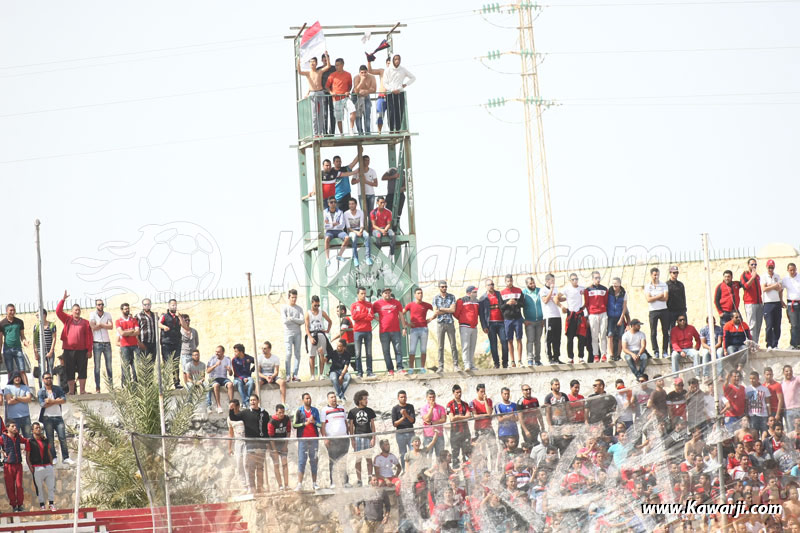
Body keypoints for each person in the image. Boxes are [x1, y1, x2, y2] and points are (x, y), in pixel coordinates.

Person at [229, 395, 271, 494]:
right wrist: (231, 409)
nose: (252, 402)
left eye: (254, 400)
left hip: (261, 444)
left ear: (258, 401)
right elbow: (233, 417)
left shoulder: (264, 413)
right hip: (250, 443)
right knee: (250, 466)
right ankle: (252, 487)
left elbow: (266, 429)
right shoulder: (245, 413)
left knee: (260, 466)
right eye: (251, 400)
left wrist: (267, 442)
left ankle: (260, 487)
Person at [55, 291, 92, 395]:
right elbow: (58, 311)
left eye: (79, 310)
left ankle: (82, 391)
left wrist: (89, 350)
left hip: (82, 350)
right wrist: (63, 300)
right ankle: (71, 391)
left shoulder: (85, 322)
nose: (77, 312)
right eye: (75, 310)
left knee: (82, 370)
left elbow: (89, 337)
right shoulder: (67, 319)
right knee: (69, 370)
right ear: (72, 311)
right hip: (68, 350)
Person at [37, 372, 73, 466]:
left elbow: (64, 400)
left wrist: (51, 401)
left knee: (63, 438)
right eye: (47, 378)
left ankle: (66, 457)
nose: (49, 379)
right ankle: (53, 457)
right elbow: (42, 404)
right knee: (50, 440)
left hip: (58, 417)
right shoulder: (41, 391)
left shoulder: (57, 389)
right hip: (47, 418)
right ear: (43, 380)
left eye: (50, 378)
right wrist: (56, 401)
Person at [374, 54, 415, 132]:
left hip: (400, 93)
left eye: (399, 59)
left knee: (399, 111)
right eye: (395, 59)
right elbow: (385, 83)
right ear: (393, 60)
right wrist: (392, 89)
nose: (397, 61)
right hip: (390, 93)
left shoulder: (403, 69)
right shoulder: (388, 70)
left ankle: (398, 129)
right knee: (391, 112)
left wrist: (406, 84)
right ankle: (391, 129)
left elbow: (413, 78)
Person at [372, 287, 406, 375]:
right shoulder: (377, 304)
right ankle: (390, 369)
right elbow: (371, 313)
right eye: (385, 293)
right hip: (384, 332)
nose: (387, 294)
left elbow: (401, 315)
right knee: (386, 351)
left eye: (388, 293)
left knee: (398, 350)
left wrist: (404, 328)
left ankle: (400, 368)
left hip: (396, 331)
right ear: (382, 294)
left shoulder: (396, 303)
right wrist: (378, 319)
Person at [297, 55, 332, 136]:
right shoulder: (308, 73)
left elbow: (328, 66)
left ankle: (320, 132)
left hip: (320, 92)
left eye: (314, 61)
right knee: (314, 115)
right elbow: (299, 72)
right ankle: (316, 133)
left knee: (321, 114)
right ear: (309, 64)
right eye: (311, 61)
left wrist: (326, 56)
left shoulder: (319, 71)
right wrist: (298, 63)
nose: (312, 63)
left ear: (316, 63)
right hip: (313, 93)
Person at [293, 392, 322, 491]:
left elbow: (320, 425)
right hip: (303, 440)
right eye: (306, 398)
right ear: (303, 400)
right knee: (302, 461)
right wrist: (304, 424)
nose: (308, 400)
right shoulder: (298, 411)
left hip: (314, 439)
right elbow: (294, 425)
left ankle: (314, 483)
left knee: (314, 461)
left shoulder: (315, 411)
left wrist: (314, 422)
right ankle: (299, 484)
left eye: (309, 398)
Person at [348, 390, 377, 487]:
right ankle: (359, 480)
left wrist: (373, 437)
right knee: (358, 459)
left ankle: (369, 477)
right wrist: (352, 439)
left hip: (368, 438)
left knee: (369, 459)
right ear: (360, 400)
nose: (366, 401)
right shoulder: (352, 412)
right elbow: (351, 427)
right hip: (357, 438)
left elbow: (372, 425)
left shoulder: (370, 411)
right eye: (365, 399)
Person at [321, 392, 349, 488]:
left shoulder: (342, 408)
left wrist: (348, 435)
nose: (334, 399)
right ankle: (333, 482)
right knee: (332, 461)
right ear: (328, 399)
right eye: (331, 397)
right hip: (332, 440)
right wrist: (325, 438)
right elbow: (323, 426)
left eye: (334, 397)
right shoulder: (325, 410)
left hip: (344, 439)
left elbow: (345, 422)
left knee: (343, 461)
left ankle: (345, 481)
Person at [26, 421, 56, 511]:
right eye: (36, 428)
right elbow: (27, 456)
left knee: (51, 486)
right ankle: (42, 504)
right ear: (32, 430)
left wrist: (51, 464)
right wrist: (31, 467)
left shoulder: (45, 440)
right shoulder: (30, 441)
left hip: (47, 466)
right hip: (37, 467)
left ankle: (51, 503)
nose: (39, 429)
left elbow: (48, 452)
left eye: (39, 428)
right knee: (39, 487)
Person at [479, 278, 508, 368]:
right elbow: (481, 315)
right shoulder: (483, 298)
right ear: (486, 286)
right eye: (489, 285)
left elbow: (505, 307)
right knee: (493, 344)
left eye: (492, 284)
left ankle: (505, 363)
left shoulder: (499, 294)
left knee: (504, 342)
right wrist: (484, 326)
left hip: (501, 323)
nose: (491, 286)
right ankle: (496, 363)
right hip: (490, 324)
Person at [404, 288, 433, 372]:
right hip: (414, 330)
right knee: (412, 349)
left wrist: (431, 318)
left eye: (421, 293)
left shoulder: (426, 305)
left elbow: (436, 311)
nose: (420, 295)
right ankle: (411, 368)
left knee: (423, 349)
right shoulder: (410, 305)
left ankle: (422, 368)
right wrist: (406, 323)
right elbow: (401, 313)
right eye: (418, 293)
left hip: (424, 329)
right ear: (415, 295)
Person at [1, 421, 27, 512]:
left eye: (15, 426)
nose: (15, 428)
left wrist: (27, 450)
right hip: (8, 465)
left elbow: (27, 441)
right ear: (7, 428)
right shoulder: (3, 438)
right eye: (13, 426)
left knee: (19, 485)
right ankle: (14, 505)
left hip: (18, 464)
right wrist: (2, 451)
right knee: (10, 486)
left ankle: (20, 504)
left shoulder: (18, 437)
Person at [499, 274, 525, 367]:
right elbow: (501, 307)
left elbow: (523, 304)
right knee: (509, 340)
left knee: (519, 339)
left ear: (512, 281)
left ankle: (520, 360)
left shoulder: (518, 291)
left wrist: (516, 302)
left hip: (517, 319)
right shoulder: (502, 293)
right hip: (507, 319)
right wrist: (507, 303)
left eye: (511, 281)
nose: (509, 282)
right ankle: (512, 361)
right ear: (505, 282)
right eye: (507, 281)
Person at [433, 280, 458, 373]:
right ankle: (441, 366)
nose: (444, 288)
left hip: (450, 322)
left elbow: (453, 310)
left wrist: (441, 309)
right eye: (442, 287)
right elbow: (435, 312)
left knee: (453, 345)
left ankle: (456, 365)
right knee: (440, 346)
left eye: (445, 287)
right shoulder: (436, 298)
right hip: (440, 323)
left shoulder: (451, 297)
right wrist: (447, 310)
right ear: (439, 287)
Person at [644, 267, 670, 359]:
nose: (656, 276)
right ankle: (656, 351)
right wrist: (659, 295)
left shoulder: (664, 285)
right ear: (651, 275)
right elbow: (648, 299)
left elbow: (666, 298)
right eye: (654, 275)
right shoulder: (648, 286)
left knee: (665, 331)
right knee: (653, 332)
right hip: (653, 311)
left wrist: (653, 297)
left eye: (657, 274)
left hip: (664, 310)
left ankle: (665, 351)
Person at [305, 295, 332, 381]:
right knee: (312, 356)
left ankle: (321, 374)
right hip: (312, 334)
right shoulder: (308, 313)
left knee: (321, 354)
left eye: (318, 305)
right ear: (312, 303)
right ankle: (312, 375)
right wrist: (309, 337)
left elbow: (329, 321)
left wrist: (327, 330)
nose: (317, 307)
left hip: (320, 333)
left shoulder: (321, 312)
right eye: (315, 305)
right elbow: (306, 326)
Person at [89, 299, 114, 393]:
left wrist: (100, 324)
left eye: (102, 304)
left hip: (107, 342)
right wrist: (104, 325)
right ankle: (98, 388)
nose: (101, 306)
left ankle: (111, 387)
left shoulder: (108, 314)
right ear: (96, 305)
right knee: (97, 366)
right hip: (97, 343)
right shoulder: (92, 314)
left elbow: (111, 326)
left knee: (109, 366)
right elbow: (93, 327)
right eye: (99, 304)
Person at [0, 304, 29, 384]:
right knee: (10, 371)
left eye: (14, 310)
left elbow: (22, 336)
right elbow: (0, 339)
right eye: (11, 310)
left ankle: (27, 390)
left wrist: (25, 342)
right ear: (6, 311)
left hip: (18, 349)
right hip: (7, 349)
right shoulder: (2, 323)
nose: (12, 312)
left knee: (22, 370)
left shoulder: (19, 322)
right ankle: (11, 389)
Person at [562, 273, 587, 364]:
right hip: (571, 315)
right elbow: (557, 297)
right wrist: (562, 306)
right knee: (570, 338)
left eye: (576, 279)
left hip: (580, 314)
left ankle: (581, 357)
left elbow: (587, 295)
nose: (575, 281)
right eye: (573, 279)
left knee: (581, 337)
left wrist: (585, 305)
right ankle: (570, 357)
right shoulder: (567, 289)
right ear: (570, 280)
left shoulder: (581, 288)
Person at [584, 271, 609, 363]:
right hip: (592, 314)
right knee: (594, 336)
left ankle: (604, 355)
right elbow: (586, 304)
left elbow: (606, 302)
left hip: (603, 313)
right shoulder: (588, 290)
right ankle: (596, 355)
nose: (598, 279)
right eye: (596, 278)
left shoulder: (605, 289)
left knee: (603, 335)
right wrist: (588, 316)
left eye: (599, 277)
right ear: (592, 279)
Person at [446, 384, 473, 469]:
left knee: (467, 454)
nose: (459, 394)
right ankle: (456, 478)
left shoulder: (465, 404)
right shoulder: (450, 404)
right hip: (455, 433)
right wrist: (461, 417)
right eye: (457, 392)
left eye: (460, 392)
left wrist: (458, 417)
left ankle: (468, 477)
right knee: (455, 456)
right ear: (453, 393)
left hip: (465, 433)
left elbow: (469, 416)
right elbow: (452, 418)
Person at [351, 287, 375, 377]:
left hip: (368, 330)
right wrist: (365, 315)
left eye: (364, 293)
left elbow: (371, 316)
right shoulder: (354, 305)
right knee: (358, 353)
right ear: (358, 294)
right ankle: (359, 372)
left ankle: (369, 371)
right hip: (357, 331)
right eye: (361, 293)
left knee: (369, 353)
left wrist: (360, 316)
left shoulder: (369, 305)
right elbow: (354, 317)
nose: (363, 295)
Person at [324, 58, 353, 135]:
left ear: (342, 65)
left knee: (353, 110)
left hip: (345, 98)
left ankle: (351, 130)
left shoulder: (348, 74)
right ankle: (341, 133)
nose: (336, 67)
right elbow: (327, 86)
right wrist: (331, 92)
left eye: (338, 65)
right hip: (336, 99)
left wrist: (348, 91)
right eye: (335, 65)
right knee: (339, 118)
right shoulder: (332, 75)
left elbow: (350, 85)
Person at [454, 285, 480, 371]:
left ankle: (471, 364)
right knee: (465, 346)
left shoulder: (477, 301)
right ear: (469, 293)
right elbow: (456, 313)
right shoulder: (462, 300)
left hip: (474, 327)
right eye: (474, 292)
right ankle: (466, 365)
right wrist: (462, 319)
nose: (476, 293)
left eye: (476, 292)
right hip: (465, 326)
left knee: (472, 346)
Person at [541, 273, 564, 364]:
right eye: (552, 280)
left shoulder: (556, 289)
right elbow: (545, 300)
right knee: (549, 338)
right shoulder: (543, 290)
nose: (553, 282)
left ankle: (556, 357)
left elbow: (557, 299)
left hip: (557, 316)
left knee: (557, 338)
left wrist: (567, 297)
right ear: (547, 281)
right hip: (548, 316)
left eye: (554, 280)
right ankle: (549, 357)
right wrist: (551, 290)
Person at [267, 403, 291, 491]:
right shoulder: (271, 422)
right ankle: (280, 485)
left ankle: (286, 485)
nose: (282, 414)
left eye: (283, 412)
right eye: (280, 412)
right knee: (276, 464)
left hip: (282, 444)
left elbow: (288, 432)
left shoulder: (287, 418)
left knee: (285, 463)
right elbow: (270, 437)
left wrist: (286, 445)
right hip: (273, 445)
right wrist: (274, 450)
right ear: (276, 413)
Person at [521, 277, 544, 367]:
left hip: (540, 321)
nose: (533, 285)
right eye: (530, 283)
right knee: (530, 340)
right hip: (529, 322)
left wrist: (544, 319)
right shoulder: (524, 293)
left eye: (533, 283)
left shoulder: (540, 291)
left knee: (538, 341)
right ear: (527, 284)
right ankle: (530, 359)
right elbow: (518, 307)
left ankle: (537, 360)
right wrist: (523, 320)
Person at [282, 289, 304, 382]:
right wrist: (295, 320)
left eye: (295, 297)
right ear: (289, 297)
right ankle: (287, 375)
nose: (294, 299)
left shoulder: (299, 308)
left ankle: (295, 374)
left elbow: (302, 321)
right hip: (288, 333)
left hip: (297, 333)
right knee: (288, 353)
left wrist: (292, 318)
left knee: (297, 354)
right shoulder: (284, 307)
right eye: (292, 297)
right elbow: (284, 321)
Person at [391, 390, 416, 471]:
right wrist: (403, 417)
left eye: (405, 397)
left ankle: (413, 470)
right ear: (398, 398)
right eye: (401, 397)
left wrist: (406, 414)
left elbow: (412, 421)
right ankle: (405, 470)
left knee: (413, 452)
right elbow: (394, 424)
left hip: (410, 432)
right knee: (403, 453)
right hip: (400, 434)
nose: (403, 398)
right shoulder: (395, 408)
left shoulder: (410, 407)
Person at [115, 303, 140, 384]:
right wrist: (131, 331)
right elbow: (121, 333)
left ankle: (136, 383)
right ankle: (125, 384)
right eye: (125, 309)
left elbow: (137, 332)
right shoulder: (118, 321)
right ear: (122, 310)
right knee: (125, 366)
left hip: (134, 345)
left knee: (136, 365)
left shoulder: (134, 320)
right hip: (124, 346)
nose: (127, 310)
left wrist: (127, 333)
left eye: (128, 308)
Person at [762, 259, 784, 349]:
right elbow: (764, 289)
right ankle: (769, 344)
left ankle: (775, 344)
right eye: (769, 267)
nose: (770, 269)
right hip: (768, 303)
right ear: (767, 267)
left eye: (772, 267)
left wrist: (770, 286)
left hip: (777, 302)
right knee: (769, 325)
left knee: (777, 324)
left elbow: (779, 288)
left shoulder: (777, 276)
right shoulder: (764, 276)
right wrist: (774, 286)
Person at [227, 399, 248, 490]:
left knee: (246, 463)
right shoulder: (229, 418)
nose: (231, 409)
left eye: (233, 407)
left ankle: (250, 483)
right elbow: (230, 432)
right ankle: (244, 485)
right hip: (238, 443)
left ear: (238, 407)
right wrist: (229, 447)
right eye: (230, 407)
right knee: (239, 463)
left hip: (247, 442)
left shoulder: (244, 415)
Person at [344, 198, 372, 267]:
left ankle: (367, 257)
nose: (351, 205)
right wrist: (357, 232)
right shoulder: (346, 213)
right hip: (352, 231)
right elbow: (348, 227)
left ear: (356, 205)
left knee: (367, 235)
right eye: (350, 204)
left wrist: (360, 231)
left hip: (360, 230)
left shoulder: (360, 212)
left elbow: (362, 224)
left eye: (352, 204)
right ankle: (355, 258)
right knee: (354, 237)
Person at [740, 258, 763, 344]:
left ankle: (755, 343)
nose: (754, 266)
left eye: (755, 264)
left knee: (758, 324)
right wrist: (752, 278)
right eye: (752, 264)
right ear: (748, 265)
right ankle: (752, 344)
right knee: (752, 325)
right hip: (750, 303)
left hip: (759, 302)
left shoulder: (757, 276)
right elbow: (745, 286)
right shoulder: (745, 275)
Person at [206, 345, 234, 414]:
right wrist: (215, 365)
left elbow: (230, 374)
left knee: (230, 384)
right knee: (216, 385)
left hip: (223, 378)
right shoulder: (212, 359)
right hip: (214, 378)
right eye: (216, 352)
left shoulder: (227, 359)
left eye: (218, 352)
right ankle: (219, 406)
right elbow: (207, 371)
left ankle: (231, 403)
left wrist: (229, 370)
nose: (216, 353)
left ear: (223, 352)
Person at [4, 371, 33, 438]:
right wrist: (23, 399)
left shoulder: (25, 387)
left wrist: (16, 398)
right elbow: (9, 402)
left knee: (28, 437)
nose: (17, 378)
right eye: (15, 377)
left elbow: (29, 399)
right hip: (13, 418)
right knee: (14, 437)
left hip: (25, 416)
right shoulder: (8, 387)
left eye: (19, 377)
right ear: (12, 378)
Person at [420, 389, 447, 458]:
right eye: (430, 397)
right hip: (428, 435)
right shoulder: (423, 408)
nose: (432, 399)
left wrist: (432, 423)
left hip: (439, 435)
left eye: (433, 397)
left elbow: (444, 419)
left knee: (440, 456)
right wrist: (431, 408)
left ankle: (440, 468)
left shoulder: (441, 408)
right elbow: (426, 419)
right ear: (427, 398)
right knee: (428, 455)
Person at [606, 277, 628, 360]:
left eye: (616, 285)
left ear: (619, 285)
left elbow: (624, 307)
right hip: (610, 317)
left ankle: (618, 355)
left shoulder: (623, 293)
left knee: (620, 336)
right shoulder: (609, 292)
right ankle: (611, 355)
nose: (614, 287)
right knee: (610, 335)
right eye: (613, 285)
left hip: (619, 316)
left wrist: (621, 318)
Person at [323, 197, 348, 265]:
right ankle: (327, 259)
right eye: (331, 202)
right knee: (327, 238)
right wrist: (333, 224)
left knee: (347, 238)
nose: (333, 203)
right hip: (329, 231)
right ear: (328, 204)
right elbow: (324, 225)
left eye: (334, 202)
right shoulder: (324, 212)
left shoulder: (340, 212)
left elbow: (342, 225)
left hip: (339, 231)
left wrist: (330, 224)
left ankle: (339, 255)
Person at [352, 65, 376, 134]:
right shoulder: (356, 77)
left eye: (365, 72)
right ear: (359, 73)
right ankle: (360, 132)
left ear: (367, 72)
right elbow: (356, 90)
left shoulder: (372, 77)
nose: (364, 74)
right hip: (357, 98)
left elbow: (374, 89)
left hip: (366, 97)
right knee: (358, 117)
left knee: (367, 115)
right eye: (362, 72)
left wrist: (366, 91)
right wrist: (361, 81)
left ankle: (368, 132)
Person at [517, 384, 543, 448]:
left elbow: (538, 414)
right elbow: (520, 418)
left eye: (529, 389)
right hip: (527, 427)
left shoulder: (535, 400)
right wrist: (526, 431)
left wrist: (542, 426)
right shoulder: (520, 402)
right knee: (529, 446)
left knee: (538, 445)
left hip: (535, 426)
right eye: (526, 390)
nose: (528, 391)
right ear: (522, 391)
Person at [32, 309, 56, 376]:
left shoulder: (51, 325)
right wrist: (35, 352)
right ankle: (41, 385)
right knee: (41, 369)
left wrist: (51, 351)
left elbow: (54, 338)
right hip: (40, 351)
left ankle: (50, 384)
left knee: (50, 369)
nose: (37, 317)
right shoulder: (36, 326)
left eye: (38, 315)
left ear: (44, 315)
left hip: (49, 350)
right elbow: (34, 339)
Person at [783, 263, 800, 349]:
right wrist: (781, 300)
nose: (792, 272)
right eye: (791, 270)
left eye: (794, 270)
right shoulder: (785, 279)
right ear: (788, 270)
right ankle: (793, 344)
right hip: (792, 304)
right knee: (794, 325)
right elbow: (780, 289)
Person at [136, 298, 157, 363]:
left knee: (151, 364)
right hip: (143, 343)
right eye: (145, 304)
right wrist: (139, 343)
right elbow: (135, 330)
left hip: (153, 343)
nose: (147, 306)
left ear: (150, 305)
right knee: (143, 365)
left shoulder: (154, 315)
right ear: (142, 305)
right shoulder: (138, 316)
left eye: (148, 304)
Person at [666, 265, 688, 329]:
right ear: (670, 273)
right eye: (674, 273)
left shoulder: (680, 284)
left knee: (685, 327)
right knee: (672, 329)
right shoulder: (667, 285)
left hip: (681, 310)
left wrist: (684, 308)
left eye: (677, 273)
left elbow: (683, 297)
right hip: (671, 311)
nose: (675, 274)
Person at [782, 365, 800, 430]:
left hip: (797, 409)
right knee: (790, 430)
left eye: (790, 371)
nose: (789, 372)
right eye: (786, 371)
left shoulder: (796, 379)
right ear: (783, 373)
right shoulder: (782, 383)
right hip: (787, 410)